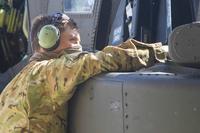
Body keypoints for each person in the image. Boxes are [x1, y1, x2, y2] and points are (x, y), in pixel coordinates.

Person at [0, 12, 166, 132]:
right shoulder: (46, 72)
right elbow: (103, 60)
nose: (78, 49)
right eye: (73, 40)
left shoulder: (13, 85)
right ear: (48, 40)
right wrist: (163, 52)